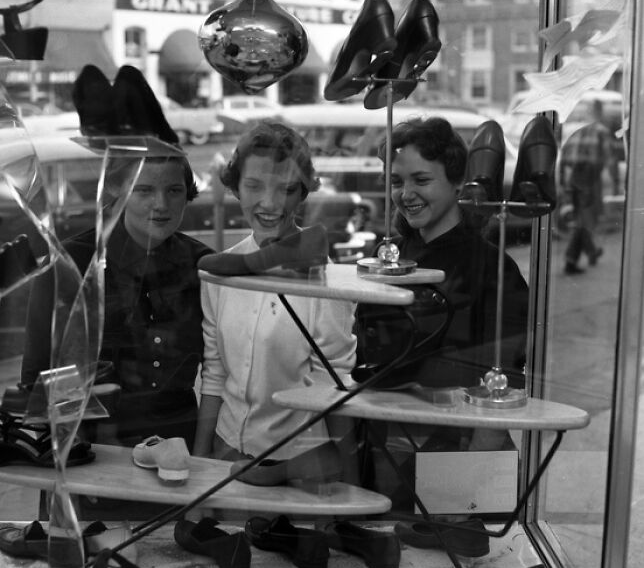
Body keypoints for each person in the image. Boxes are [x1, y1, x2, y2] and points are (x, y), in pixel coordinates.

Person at [19, 66, 213, 452]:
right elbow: (36, 379)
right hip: (90, 451)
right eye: (144, 190)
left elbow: (221, 374)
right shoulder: (71, 263)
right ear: (118, 191)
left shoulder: (202, 264)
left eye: (174, 190)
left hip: (180, 452)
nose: (161, 205)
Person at [355, 117, 529, 500]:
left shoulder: (491, 266)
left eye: (421, 180)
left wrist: (469, 486)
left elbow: (503, 381)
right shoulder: (388, 256)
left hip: (462, 447)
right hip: (385, 442)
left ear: (456, 181)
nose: (406, 194)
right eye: (397, 182)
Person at [194, 120, 357, 471]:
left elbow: (334, 384)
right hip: (225, 448)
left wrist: (346, 484)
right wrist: (201, 459)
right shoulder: (220, 273)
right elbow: (215, 371)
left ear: (302, 193)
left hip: (295, 462)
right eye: (254, 185)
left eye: (285, 189)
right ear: (236, 187)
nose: (269, 202)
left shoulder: (326, 283)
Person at [560, 99, 614, 275]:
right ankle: (571, 259)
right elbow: (610, 159)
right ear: (600, 111)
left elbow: (564, 157)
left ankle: (591, 252)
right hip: (589, 179)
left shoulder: (578, 132)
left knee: (581, 220)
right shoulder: (602, 132)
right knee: (585, 221)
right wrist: (617, 183)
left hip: (574, 178)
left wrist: (564, 183)